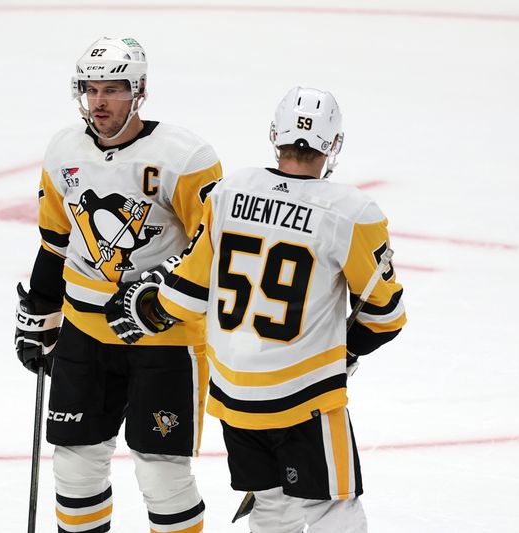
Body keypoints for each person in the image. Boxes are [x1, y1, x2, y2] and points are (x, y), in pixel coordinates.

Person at [106, 87, 407, 533]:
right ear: (333, 144)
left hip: (234, 399)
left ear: (274, 135)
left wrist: (148, 306)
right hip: (304, 399)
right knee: (333, 510)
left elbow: (187, 293)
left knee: (270, 506)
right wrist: (346, 353)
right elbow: (385, 317)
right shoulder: (350, 211)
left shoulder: (230, 191)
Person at [14, 37, 223, 533]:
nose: (100, 101)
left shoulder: (186, 156)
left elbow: (213, 249)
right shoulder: (64, 149)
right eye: (91, 89)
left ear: (140, 91)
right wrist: (40, 316)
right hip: (84, 336)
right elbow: (56, 241)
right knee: (74, 464)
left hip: (163, 339)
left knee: (161, 471)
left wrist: (160, 301)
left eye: (113, 89)